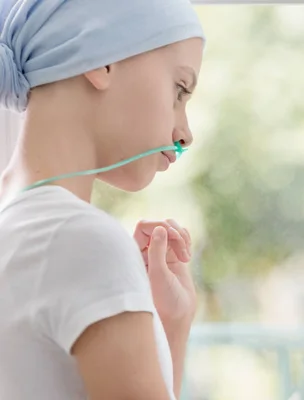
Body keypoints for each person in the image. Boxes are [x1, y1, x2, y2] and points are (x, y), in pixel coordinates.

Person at [0, 0, 206, 399]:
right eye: (179, 89)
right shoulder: (80, 240)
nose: (185, 135)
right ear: (102, 60)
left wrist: (171, 325)